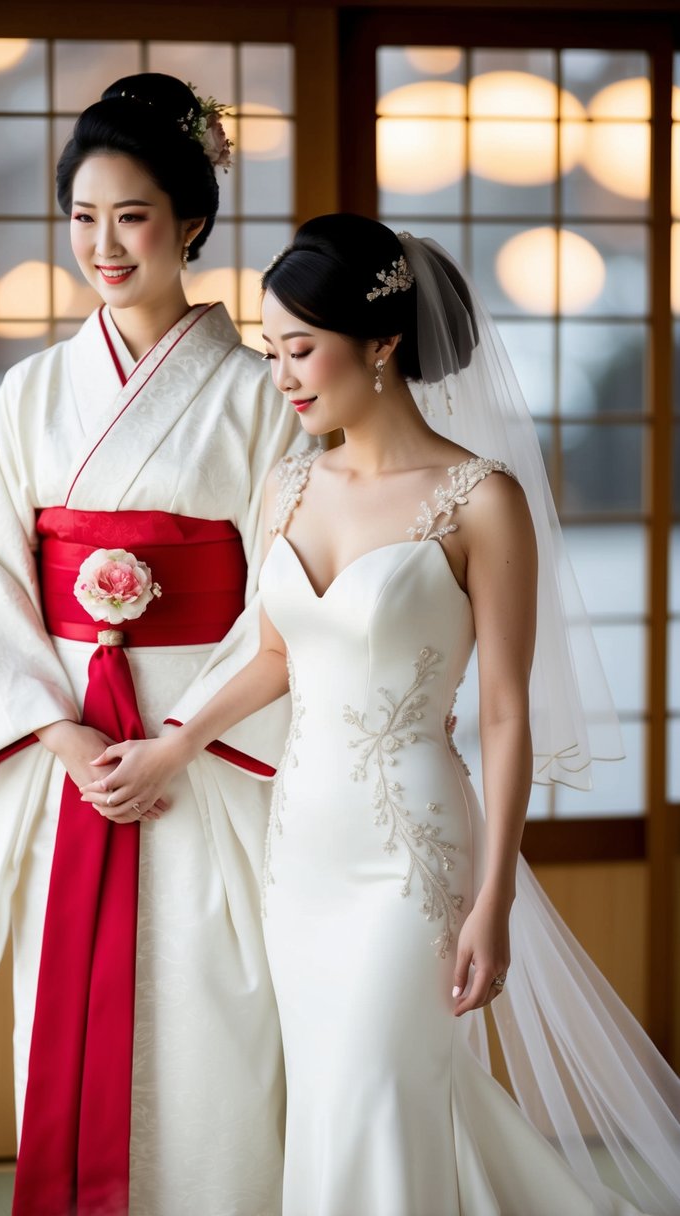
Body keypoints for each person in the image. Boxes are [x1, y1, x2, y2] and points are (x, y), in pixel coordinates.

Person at [85, 214, 680, 1216]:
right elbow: (277, 654)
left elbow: (501, 715)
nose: (282, 377)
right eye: (271, 352)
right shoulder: (288, 483)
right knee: (333, 1096)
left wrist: (492, 900)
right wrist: (178, 741)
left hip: (413, 854)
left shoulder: (479, 500)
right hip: (300, 850)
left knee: (375, 1090)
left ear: (383, 342)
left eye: (301, 349)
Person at [0, 74, 303, 1216]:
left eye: (133, 215)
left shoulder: (258, 397)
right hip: (72, 755)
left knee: (213, 1013)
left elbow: (289, 592)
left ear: (192, 220)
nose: (103, 243)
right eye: (83, 217)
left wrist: (175, 741)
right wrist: (58, 732)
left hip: (198, 747)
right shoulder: (29, 392)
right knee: (66, 1003)